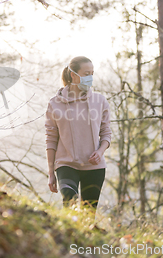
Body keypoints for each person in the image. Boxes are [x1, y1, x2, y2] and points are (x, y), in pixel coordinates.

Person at [45, 56, 112, 213]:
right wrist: (50, 172)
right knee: (70, 204)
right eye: (86, 73)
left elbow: (106, 133)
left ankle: (87, 237)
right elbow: (51, 139)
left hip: (94, 167)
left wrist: (100, 152)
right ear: (73, 75)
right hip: (66, 165)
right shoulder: (55, 103)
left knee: (89, 213)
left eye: (92, 73)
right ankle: (67, 237)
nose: (90, 78)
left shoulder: (100, 101)